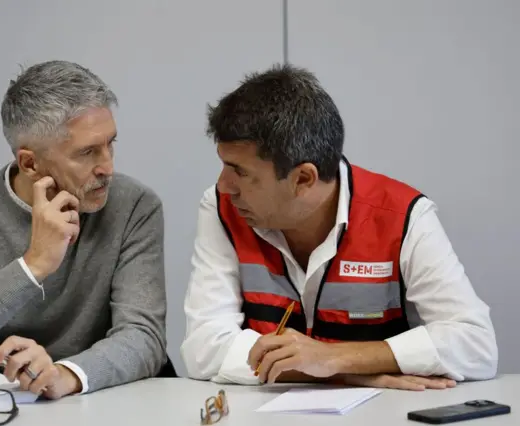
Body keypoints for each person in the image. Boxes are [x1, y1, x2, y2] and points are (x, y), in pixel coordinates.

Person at [180, 64, 497, 391]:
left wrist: (336, 358)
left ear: (303, 179)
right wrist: (345, 373)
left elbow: (475, 345)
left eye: (239, 172)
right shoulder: (223, 208)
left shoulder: (401, 215)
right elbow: (204, 348)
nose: (223, 185)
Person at [0, 60, 171, 399]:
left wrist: (65, 374)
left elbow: (145, 337)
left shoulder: (134, 206)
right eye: (87, 152)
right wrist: (33, 266)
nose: (108, 167)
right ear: (30, 163)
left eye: (110, 143)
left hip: (102, 401)